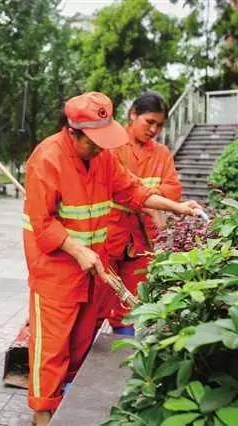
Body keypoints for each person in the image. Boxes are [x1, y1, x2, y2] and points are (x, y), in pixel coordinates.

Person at [23, 92, 202, 425]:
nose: (100, 148)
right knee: (51, 350)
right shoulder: (46, 158)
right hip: (56, 273)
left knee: (79, 346)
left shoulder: (104, 159)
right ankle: (42, 416)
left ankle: (64, 406)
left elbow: (133, 190)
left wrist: (178, 207)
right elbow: (42, 223)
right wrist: (77, 249)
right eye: (93, 141)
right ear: (72, 131)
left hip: (94, 270)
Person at [102, 92, 182, 333]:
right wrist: (149, 198)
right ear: (133, 114)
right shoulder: (111, 146)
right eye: (149, 122)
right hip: (109, 235)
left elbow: (174, 190)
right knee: (100, 302)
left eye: (159, 125)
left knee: (132, 305)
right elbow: (109, 187)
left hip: (142, 241)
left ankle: (125, 352)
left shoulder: (162, 153)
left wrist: (142, 194)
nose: (154, 129)